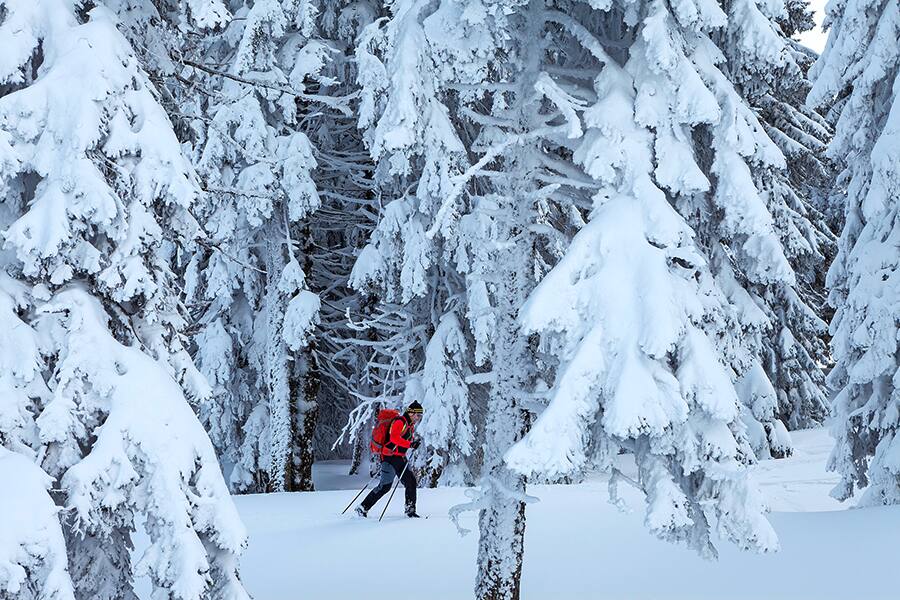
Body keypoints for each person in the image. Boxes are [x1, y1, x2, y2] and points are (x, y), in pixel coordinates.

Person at [356, 401, 423, 518]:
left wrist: (412, 443)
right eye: (418, 415)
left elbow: (402, 441)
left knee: (410, 481)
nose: (419, 418)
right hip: (390, 457)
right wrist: (410, 444)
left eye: (420, 416)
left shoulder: (409, 425)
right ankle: (363, 507)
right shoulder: (400, 422)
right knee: (385, 486)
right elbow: (394, 438)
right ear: (411, 413)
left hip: (399, 457)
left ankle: (410, 511)